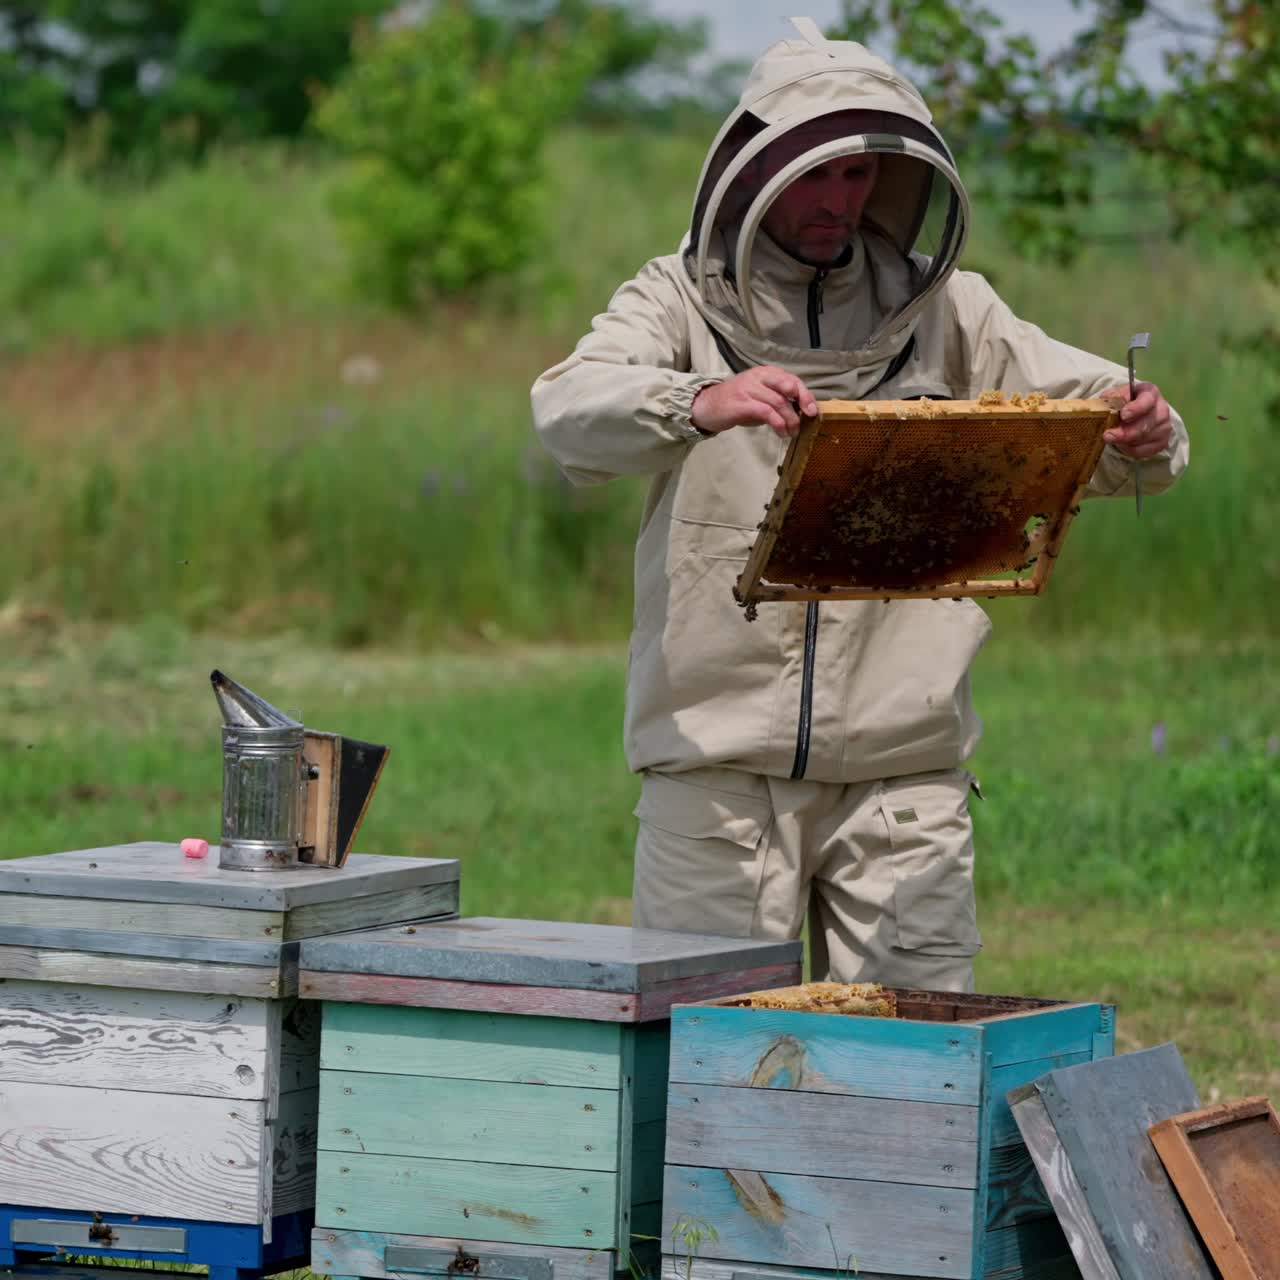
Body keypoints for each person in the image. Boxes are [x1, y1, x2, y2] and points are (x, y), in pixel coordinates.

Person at [530, 19, 1189, 992]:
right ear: (751, 171)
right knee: (711, 1057)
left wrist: (1147, 428)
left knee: (907, 1070)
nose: (837, 200)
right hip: (717, 770)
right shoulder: (674, 301)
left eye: (855, 176)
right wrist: (694, 401)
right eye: (813, 175)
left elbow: (1101, 426)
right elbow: (566, 411)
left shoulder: (952, 312)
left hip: (903, 768)